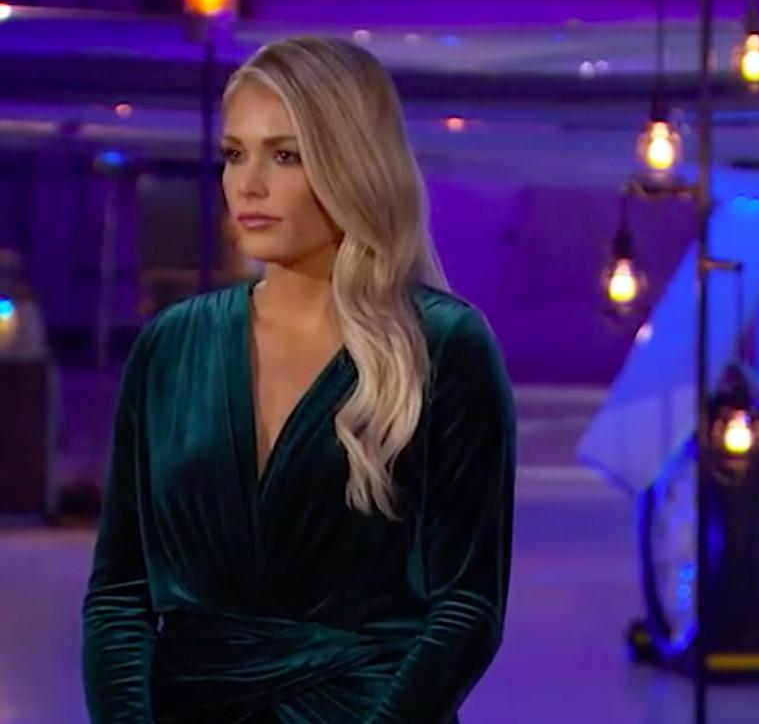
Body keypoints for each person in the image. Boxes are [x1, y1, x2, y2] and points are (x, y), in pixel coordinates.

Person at [81, 36, 515, 723]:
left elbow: (467, 606)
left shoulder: (443, 346)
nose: (247, 185)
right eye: (234, 154)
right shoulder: (172, 347)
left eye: (285, 156)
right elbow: (119, 594)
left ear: (352, 164)